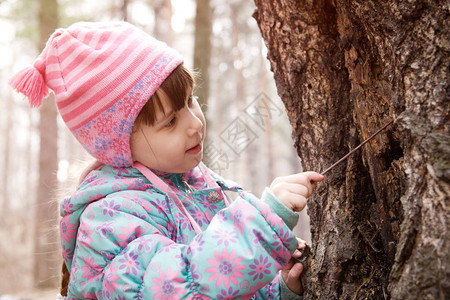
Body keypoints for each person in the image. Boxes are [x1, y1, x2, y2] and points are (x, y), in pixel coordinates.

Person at [9, 21, 324, 299]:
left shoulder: (194, 185)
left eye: (190, 100)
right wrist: (261, 226)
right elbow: (182, 284)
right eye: (170, 122)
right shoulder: (109, 220)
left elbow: (220, 288)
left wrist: (278, 288)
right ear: (120, 145)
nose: (195, 123)